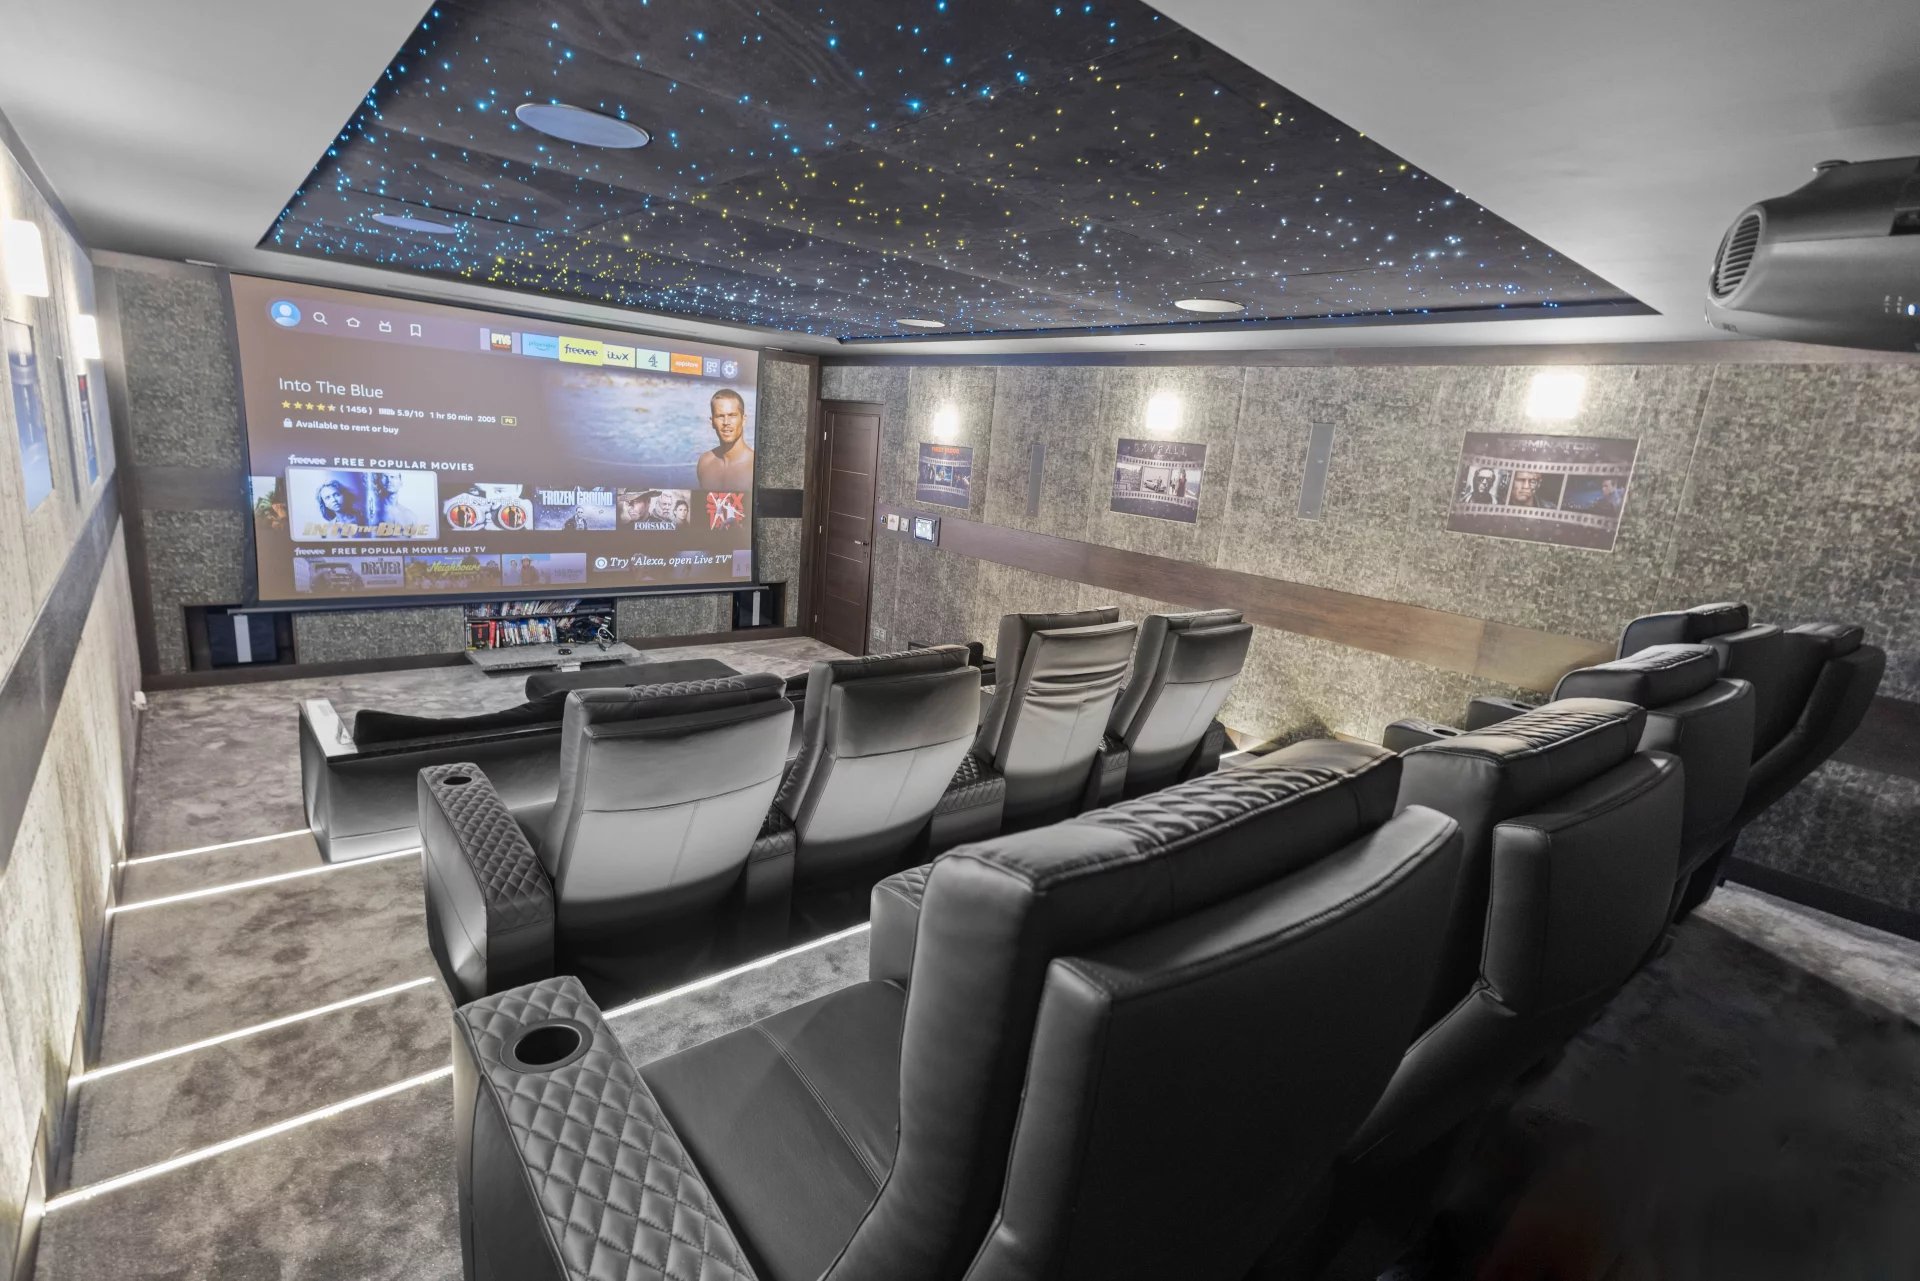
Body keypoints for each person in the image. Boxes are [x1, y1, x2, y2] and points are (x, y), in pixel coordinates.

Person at [696, 388, 755, 489]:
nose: (726, 422)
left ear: (743, 420)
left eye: (732, 415)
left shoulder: (755, 465)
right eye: (720, 416)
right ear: (712, 422)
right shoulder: (704, 462)